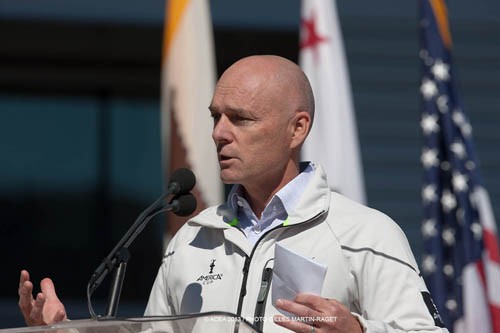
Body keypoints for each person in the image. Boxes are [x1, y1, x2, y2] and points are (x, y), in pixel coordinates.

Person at [19, 55, 448, 333]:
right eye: (215, 117)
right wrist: (63, 332)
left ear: (296, 129)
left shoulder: (365, 233)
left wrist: (358, 331)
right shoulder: (191, 239)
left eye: (240, 119)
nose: (219, 133)